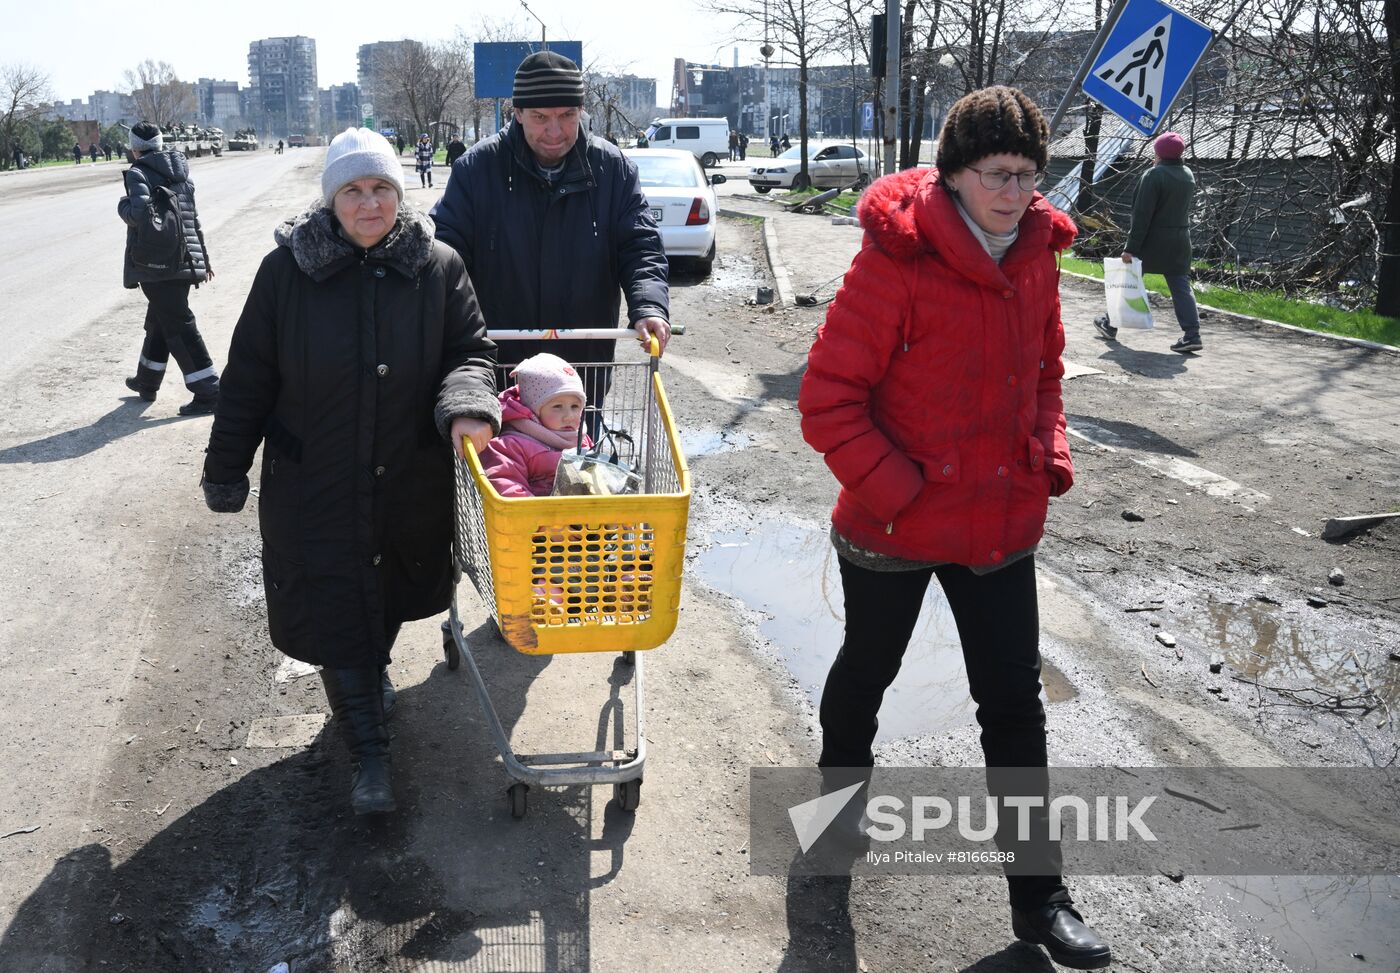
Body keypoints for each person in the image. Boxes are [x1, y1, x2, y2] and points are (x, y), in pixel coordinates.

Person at [798, 86, 1112, 971]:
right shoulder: (897, 258)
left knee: (1013, 705)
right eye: (997, 174)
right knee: (867, 674)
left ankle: (1040, 900)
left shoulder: (1041, 251)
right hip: (889, 524)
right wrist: (901, 489)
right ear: (954, 173)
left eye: (1029, 175)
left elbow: (1048, 366)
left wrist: (1045, 451)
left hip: (999, 521)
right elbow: (827, 401)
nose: (1016, 193)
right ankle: (832, 821)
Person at [199, 127, 500, 816]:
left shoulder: (439, 267)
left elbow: (471, 352)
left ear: (401, 193)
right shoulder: (286, 274)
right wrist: (226, 465)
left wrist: (466, 405)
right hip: (315, 486)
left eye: (383, 189)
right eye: (354, 191)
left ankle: (370, 674)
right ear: (331, 200)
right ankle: (370, 754)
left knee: (387, 593)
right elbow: (248, 376)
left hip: (408, 481)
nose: (370, 204)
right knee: (335, 607)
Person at [430, 50, 670, 403]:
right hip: (498, 370)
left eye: (567, 115)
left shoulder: (612, 169)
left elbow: (641, 247)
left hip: (579, 378)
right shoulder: (477, 169)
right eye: (541, 117)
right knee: (501, 459)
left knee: (579, 459)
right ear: (518, 114)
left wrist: (648, 306)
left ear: (581, 112)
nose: (555, 131)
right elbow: (446, 256)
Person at [118, 121, 221, 415]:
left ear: (135, 148)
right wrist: (204, 260)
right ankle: (146, 381)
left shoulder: (139, 172)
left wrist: (122, 206)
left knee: (179, 325)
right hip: (183, 261)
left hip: (157, 263)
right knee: (161, 321)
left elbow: (137, 215)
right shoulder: (181, 173)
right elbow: (193, 221)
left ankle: (210, 390)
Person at [1094, 131, 1201, 353]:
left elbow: (1141, 215)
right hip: (1180, 240)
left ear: (1159, 153)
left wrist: (1130, 248)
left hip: (1152, 241)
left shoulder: (1154, 176)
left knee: (1129, 280)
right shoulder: (1187, 174)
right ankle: (1192, 334)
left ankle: (1110, 324)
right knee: (1181, 286)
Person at [480, 353, 590, 498]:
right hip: (539, 516)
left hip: (583, 514)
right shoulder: (511, 445)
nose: (569, 416)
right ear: (533, 411)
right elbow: (505, 484)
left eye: (575, 406)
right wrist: (540, 516)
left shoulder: (580, 438)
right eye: (557, 406)